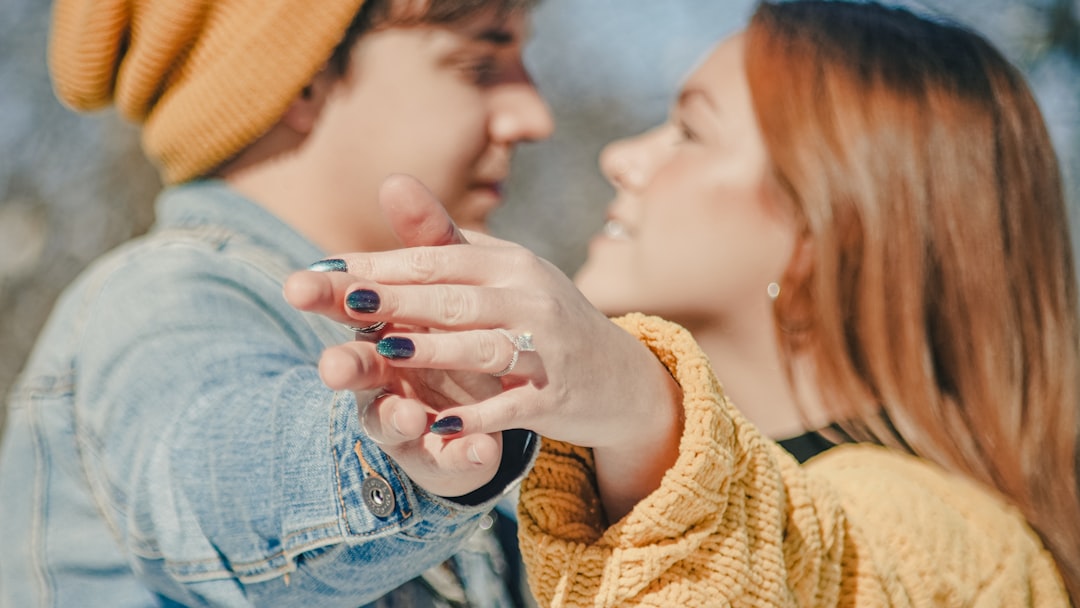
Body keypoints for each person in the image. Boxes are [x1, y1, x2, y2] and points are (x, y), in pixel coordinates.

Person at [283, 0, 1080, 604]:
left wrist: (645, 409)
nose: (622, 156)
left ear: (827, 224)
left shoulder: (967, 546)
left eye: (690, 133)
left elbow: (823, 560)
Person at [0, 0, 553, 605]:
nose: (534, 117)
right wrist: (396, 456)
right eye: (478, 63)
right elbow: (208, 483)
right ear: (306, 79)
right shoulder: (162, 293)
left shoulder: (412, 337)